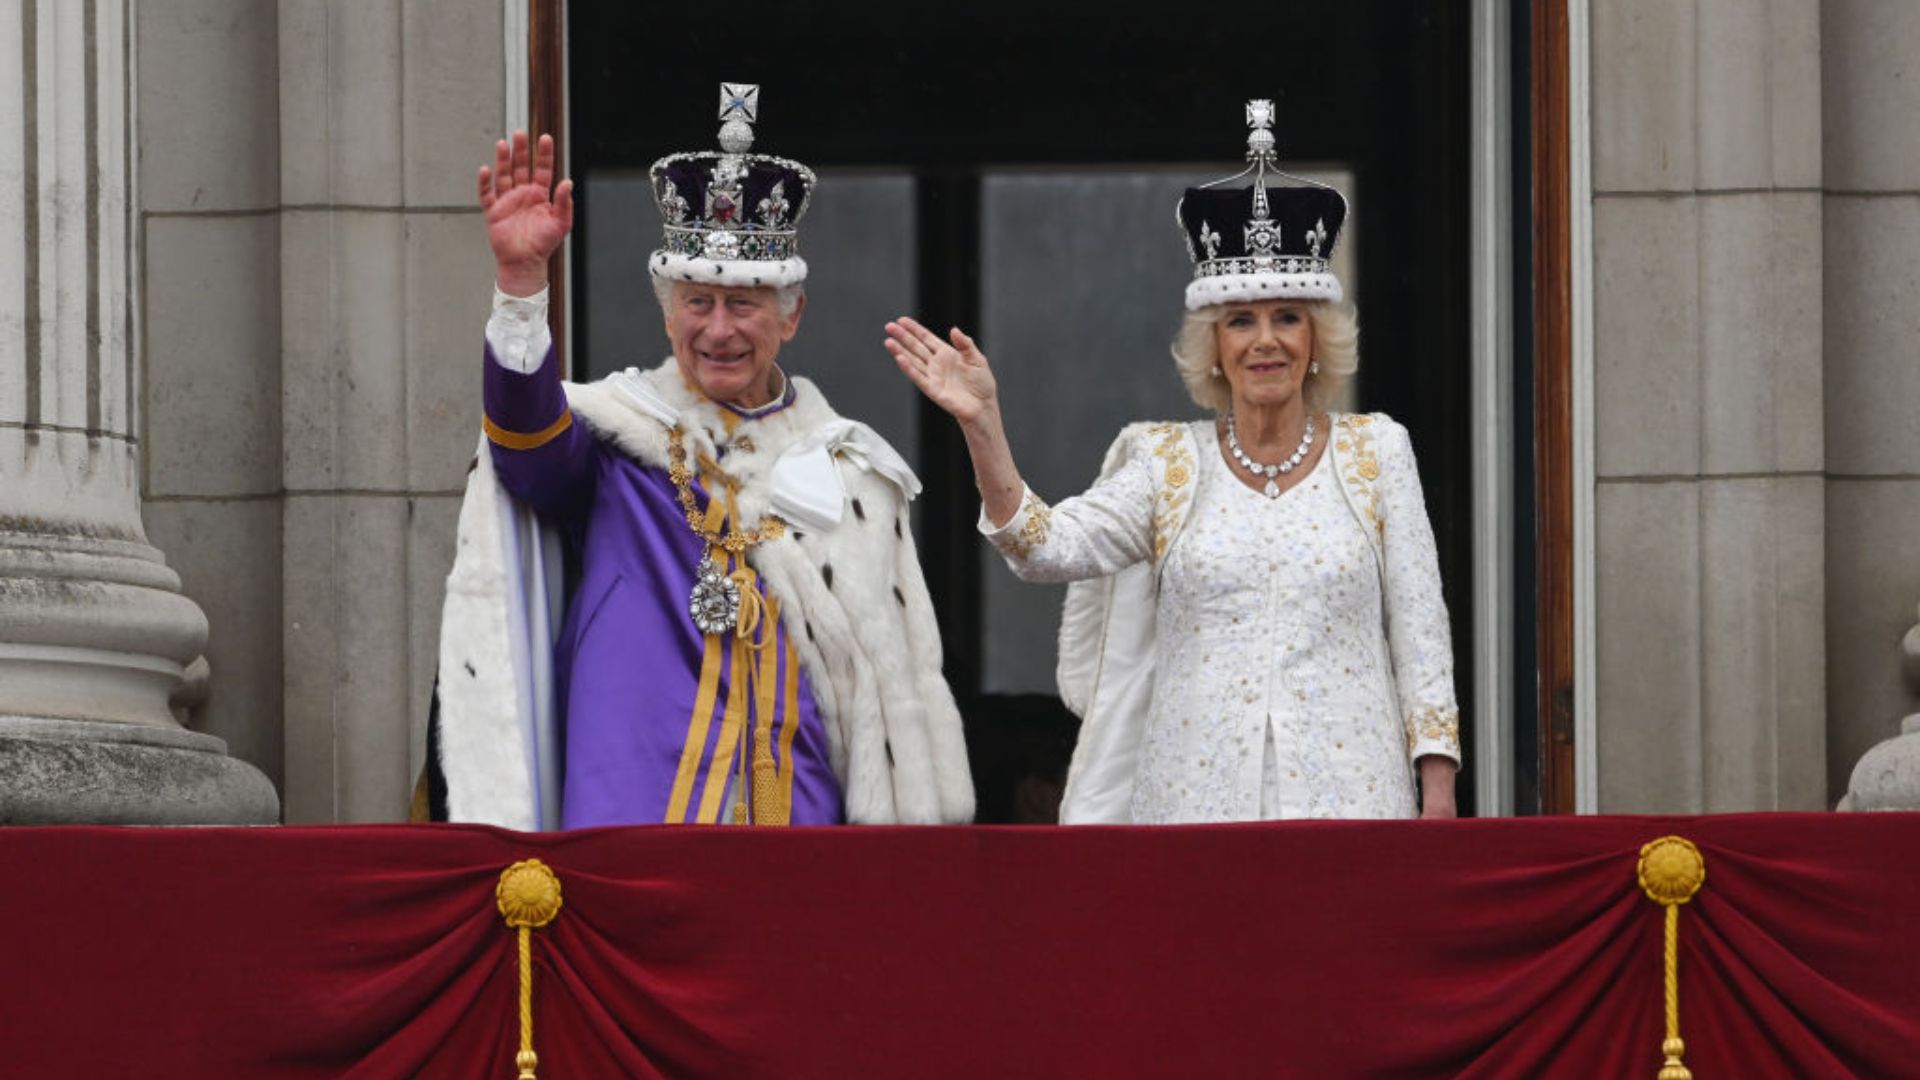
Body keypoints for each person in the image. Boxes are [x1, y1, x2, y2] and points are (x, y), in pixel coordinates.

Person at [886, 99, 1459, 824]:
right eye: (1241, 321)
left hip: (1354, 798)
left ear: (1317, 339)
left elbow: (1421, 631)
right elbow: (1041, 548)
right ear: (1213, 344)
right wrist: (983, 424)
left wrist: (1435, 789)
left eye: (1288, 317)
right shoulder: (1165, 463)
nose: (1266, 341)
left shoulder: (1377, 451)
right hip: (1194, 806)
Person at [431, 83, 973, 829]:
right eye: (697, 302)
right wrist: (522, 288)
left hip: (798, 820)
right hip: (633, 817)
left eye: (744, 303)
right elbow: (527, 449)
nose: (719, 329)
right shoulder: (619, 442)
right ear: (667, 310)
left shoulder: (849, 475)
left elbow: (883, 698)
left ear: (791, 317)